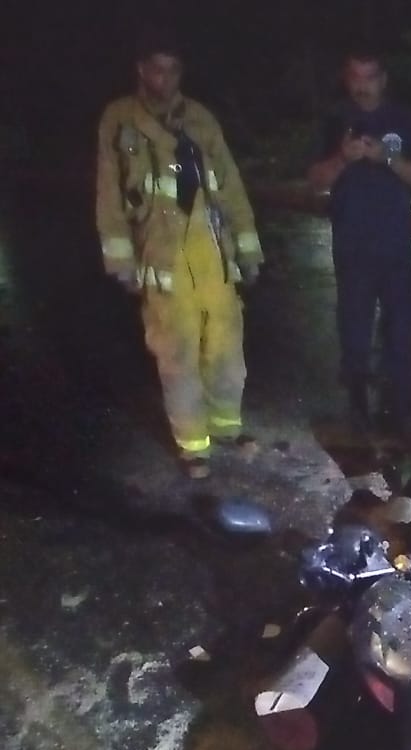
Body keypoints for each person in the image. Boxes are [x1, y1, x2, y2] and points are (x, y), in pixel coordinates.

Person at [96, 27, 263, 480]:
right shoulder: (121, 120)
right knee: (178, 351)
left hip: (211, 247)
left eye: (172, 70)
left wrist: (248, 248)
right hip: (162, 253)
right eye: (156, 69)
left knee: (227, 344)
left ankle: (226, 425)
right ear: (141, 70)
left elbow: (229, 184)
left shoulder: (201, 119)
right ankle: (194, 446)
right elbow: (110, 194)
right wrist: (121, 261)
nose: (164, 78)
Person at [307, 48, 411, 437]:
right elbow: (316, 179)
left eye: (370, 76)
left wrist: (387, 159)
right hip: (352, 248)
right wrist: (343, 158)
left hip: (396, 246)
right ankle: (358, 409)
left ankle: (400, 411)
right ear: (347, 79)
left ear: (384, 78)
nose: (362, 86)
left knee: (400, 334)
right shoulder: (335, 120)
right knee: (355, 333)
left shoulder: (402, 120)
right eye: (355, 77)